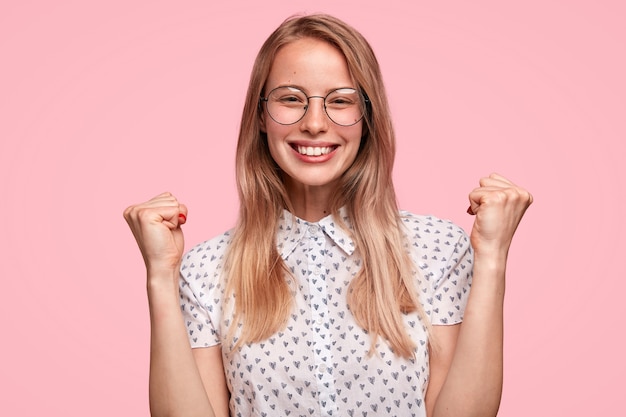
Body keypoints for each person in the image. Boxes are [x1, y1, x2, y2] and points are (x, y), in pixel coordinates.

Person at [124, 14, 532, 417]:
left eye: (340, 101)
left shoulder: (438, 249)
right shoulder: (206, 269)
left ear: (367, 118)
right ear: (261, 117)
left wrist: (492, 257)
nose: (315, 124)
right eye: (290, 98)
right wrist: (160, 274)